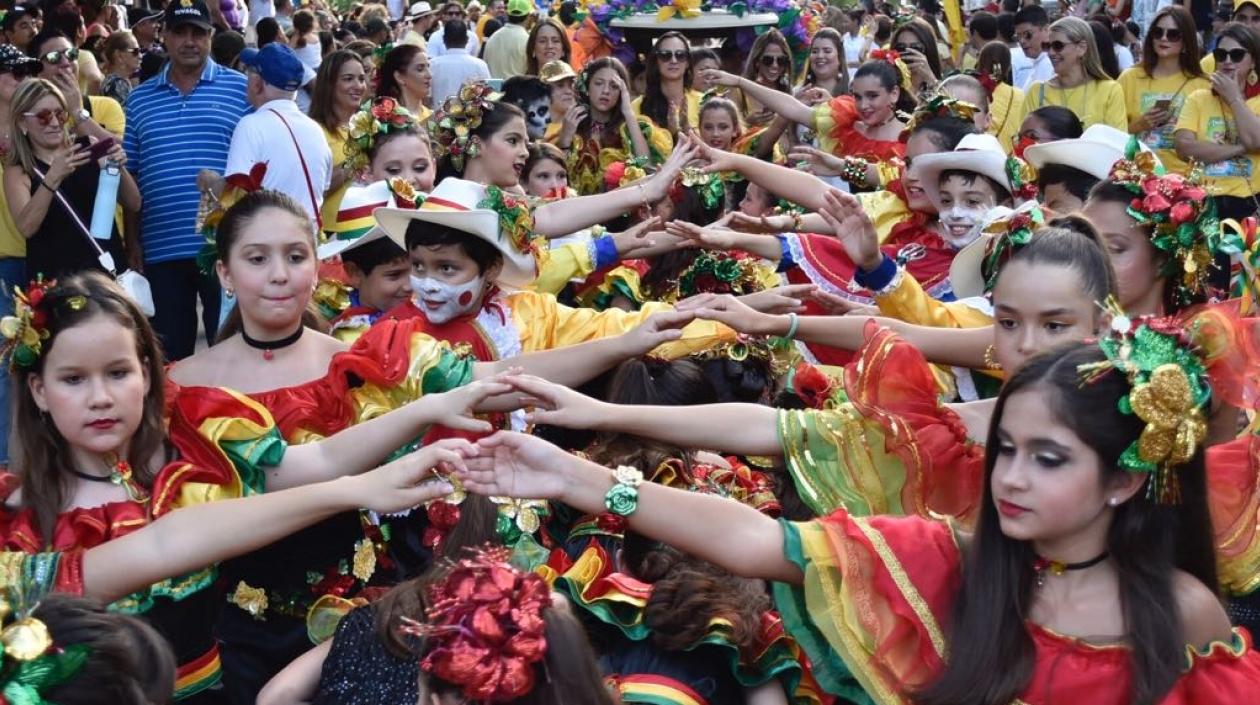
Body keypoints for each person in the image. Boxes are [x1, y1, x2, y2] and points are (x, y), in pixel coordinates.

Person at [123, 0, 250, 360]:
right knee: (168, 359)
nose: (189, 41)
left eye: (198, 32)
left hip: (224, 247)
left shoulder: (240, 90)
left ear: (211, 36)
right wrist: (133, 241)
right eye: (180, 32)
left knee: (230, 351)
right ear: (164, 36)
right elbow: (130, 175)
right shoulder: (139, 100)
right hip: (160, 249)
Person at [3, 78, 138, 280]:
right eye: (43, 117)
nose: (55, 123)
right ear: (22, 121)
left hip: (107, 275)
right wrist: (52, 178)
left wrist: (118, 168)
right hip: (58, 281)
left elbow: (132, 203)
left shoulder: (89, 148)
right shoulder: (19, 170)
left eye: (60, 114)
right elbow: (27, 227)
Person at [217, 42, 332, 226]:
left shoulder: (251, 125)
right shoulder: (315, 129)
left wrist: (211, 183)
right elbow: (323, 190)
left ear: (256, 84)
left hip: (271, 244)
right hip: (309, 245)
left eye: (249, 71)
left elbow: (236, 198)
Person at [1174, 21, 1260, 223]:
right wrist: (1240, 147)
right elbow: (1184, 148)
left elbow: (1256, 141)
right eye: (1221, 55)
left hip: (1249, 203)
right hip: (1203, 202)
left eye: (1237, 55)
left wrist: (1233, 98)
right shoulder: (1198, 98)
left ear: (1253, 61)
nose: (1228, 61)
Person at [1021, 16, 1127, 130]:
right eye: (1047, 46)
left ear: (1081, 48)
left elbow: (1117, 143)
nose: (1050, 53)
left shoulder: (1109, 91)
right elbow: (1021, 141)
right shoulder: (1037, 91)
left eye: (1058, 46)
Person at [307, 49, 368, 237]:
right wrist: (357, 159)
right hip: (334, 233)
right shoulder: (313, 131)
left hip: (370, 228)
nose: (358, 86)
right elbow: (313, 190)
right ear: (329, 84)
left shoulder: (370, 124)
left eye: (361, 78)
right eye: (348, 79)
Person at [29, 28, 122, 141]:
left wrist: (77, 112)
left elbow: (124, 152)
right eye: (54, 57)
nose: (66, 63)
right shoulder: (29, 115)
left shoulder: (106, 106)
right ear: (36, 70)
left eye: (71, 54)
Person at [634, 32, 702, 138]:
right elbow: (636, 153)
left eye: (680, 55)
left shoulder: (703, 102)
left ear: (688, 62)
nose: (673, 61)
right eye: (665, 55)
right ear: (656, 61)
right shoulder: (637, 106)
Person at [429, 20, 490, 108]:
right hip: (471, 119)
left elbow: (426, 99)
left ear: (444, 39)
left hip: (439, 119)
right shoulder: (480, 65)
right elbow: (487, 98)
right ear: (467, 40)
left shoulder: (432, 65)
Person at [375, 44, 433, 121]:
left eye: (428, 67)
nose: (429, 75)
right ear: (399, 77)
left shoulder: (432, 116)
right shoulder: (386, 119)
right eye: (420, 69)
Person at [483, 0, 531, 78]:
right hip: (518, 88)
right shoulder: (528, 40)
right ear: (528, 16)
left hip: (494, 89)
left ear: (507, 14)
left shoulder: (493, 38)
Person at [1013, 4, 1055, 89]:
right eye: (1018, 36)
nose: (1022, 41)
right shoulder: (1038, 61)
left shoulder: (1051, 64)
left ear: (1046, 29)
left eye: (1027, 34)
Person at [98, 30, 141, 106]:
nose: (140, 56)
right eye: (135, 51)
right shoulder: (117, 84)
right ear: (119, 56)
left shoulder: (116, 81)